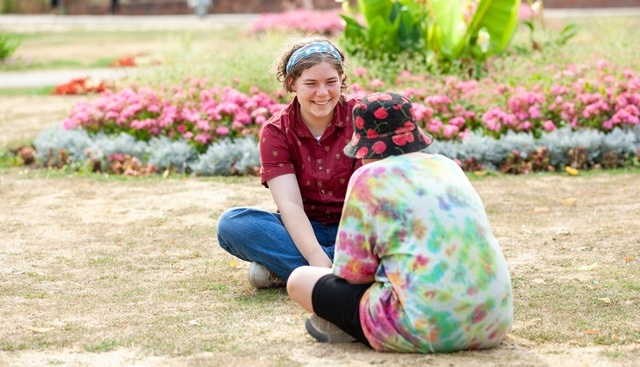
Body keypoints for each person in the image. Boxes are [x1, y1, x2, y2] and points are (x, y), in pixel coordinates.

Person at [287, 92, 514, 353]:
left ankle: (349, 326)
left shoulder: (368, 177)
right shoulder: (449, 167)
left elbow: (353, 275)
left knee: (299, 280)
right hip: (494, 323)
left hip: (422, 326)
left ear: (365, 149)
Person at [216, 37, 361, 289]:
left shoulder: (360, 118)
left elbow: (369, 197)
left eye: (331, 82)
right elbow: (290, 204)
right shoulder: (276, 131)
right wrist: (316, 255)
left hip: (355, 227)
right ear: (292, 83)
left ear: (341, 80)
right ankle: (344, 270)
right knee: (232, 224)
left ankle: (289, 271)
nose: (323, 93)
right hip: (303, 229)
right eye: (311, 84)